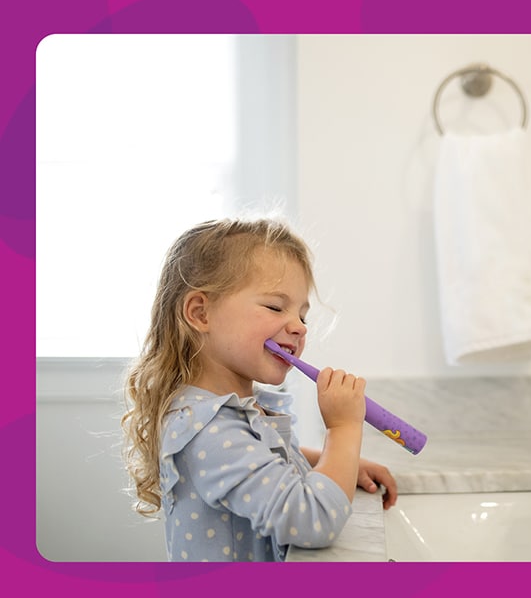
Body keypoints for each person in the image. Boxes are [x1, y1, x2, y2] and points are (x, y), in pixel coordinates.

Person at [121, 217, 397, 562]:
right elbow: (312, 521)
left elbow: (265, 457)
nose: (298, 327)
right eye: (274, 307)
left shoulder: (229, 412)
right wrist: (343, 430)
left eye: (303, 315)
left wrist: (331, 463)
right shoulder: (207, 429)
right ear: (200, 313)